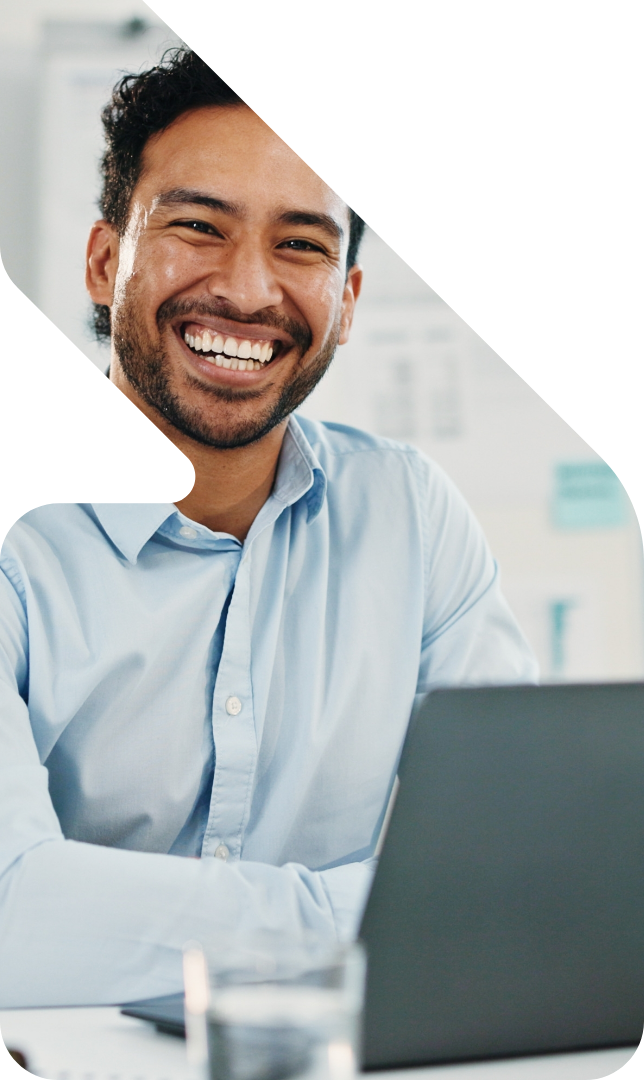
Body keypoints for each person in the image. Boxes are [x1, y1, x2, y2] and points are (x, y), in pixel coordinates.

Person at [0, 50, 538, 1008]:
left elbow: (514, 866)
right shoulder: (20, 549)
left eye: (301, 245)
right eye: (198, 226)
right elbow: (12, 915)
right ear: (103, 262)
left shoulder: (411, 516)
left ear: (348, 303)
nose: (249, 291)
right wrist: (372, 918)